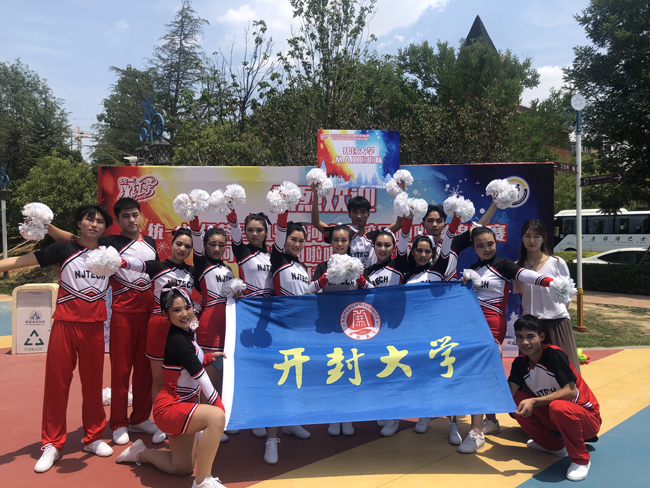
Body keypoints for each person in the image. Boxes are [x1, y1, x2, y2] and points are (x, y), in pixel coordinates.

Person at [0, 205, 115, 473]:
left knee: (93, 385)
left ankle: (93, 437)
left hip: (94, 327)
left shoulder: (110, 251)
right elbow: (22, 261)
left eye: (100, 221)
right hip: (65, 324)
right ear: (79, 223)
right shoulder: (64, 249)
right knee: (56, 385)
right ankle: (52, 443)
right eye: (89, 219)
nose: (94, 224)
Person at [48, 197, 165, 445]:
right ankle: (119, 422)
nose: (131, 220)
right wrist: (48, 227)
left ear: (141, 216)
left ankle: (140, 417)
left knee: (144, 371)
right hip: (122, 314)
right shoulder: (108, 243)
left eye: (135, 215)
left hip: (148, 315)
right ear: (118, 220)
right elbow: (73, 238)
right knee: (121, 371)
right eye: (126, 216)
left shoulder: (151, 243)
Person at [116, 285, 228, 488]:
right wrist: (218, 405)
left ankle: (140, 452)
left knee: (182, 467)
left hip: (184, 405)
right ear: (165, 314)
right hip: (171, 407)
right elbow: (200, 376)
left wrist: (209, 357)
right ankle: (202, 481)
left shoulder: (186, 333)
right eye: (177, 310)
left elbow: (189, 363)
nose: (184, 314)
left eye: (187, 307)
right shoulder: (178, 340)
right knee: (216, 417)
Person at [457, 226, 556, 454]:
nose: (486, 248)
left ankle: (476, 431)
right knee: (485, 373)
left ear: (496, 243)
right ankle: (491, 421)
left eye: (490, 243)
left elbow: (524, 275)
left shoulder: (503, 265)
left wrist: (549, 281)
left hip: (492, 329)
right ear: (474, 248)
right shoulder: (472, 268)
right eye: (480, 245)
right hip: (472, 327)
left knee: (479, 374)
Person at [509, 315, 601, 482]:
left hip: (587, 418)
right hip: (556, 416)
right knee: (517, 400)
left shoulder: (554, 354)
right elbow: (509, 395)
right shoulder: (520, 363)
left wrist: (534, 401)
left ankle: (581, 460)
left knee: (558, 406)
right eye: (519, 337)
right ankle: (553, 446)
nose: (524, 342)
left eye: (530, 336)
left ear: (541, 336)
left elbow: (571, 392)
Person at [307, 223, 371, 436]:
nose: (340, 244)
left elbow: (372, 291)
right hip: (328, 325)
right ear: (330, 242)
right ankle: (334, 416)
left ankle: (348, 416)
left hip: (350, 325)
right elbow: (308, 291)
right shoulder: (322, 266)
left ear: (349, 242)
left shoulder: (357, 265)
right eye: (336, 240)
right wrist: (325, 277)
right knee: (334, 368)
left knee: (351, 368)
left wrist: (360, 279)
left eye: (344, 240)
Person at [121, 226, 195, 406]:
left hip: (183, 329)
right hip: (159, 328)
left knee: (183, 379)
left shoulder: (193, 272)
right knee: (159, 380)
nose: (182, 249)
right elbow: (130, 263)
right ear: (172, 243)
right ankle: (161, 418)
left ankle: (182, 415)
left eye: (187, 246)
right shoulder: (157, 266)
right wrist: (113, 261)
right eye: (179, 244)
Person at [263, 211, 312, 463]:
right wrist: (284, 208)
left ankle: (292, 422)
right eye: (293, 239)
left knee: (296, 379)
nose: (297, 244)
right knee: (278, 383)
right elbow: (281, 231)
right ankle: (272, 439)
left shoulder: (304, 268)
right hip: (280, 330)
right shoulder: (278, 260)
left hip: (300, 331)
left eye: (301, 241)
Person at [189, 217, 240, 441]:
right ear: (205, 246)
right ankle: (202, 426)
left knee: (221, 378)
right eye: (212, 244)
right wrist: (194, 216)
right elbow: (195, 235)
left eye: (221, 245)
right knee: (207, 379)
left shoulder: (228, 269)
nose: (217, 248)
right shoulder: (202, 264)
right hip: (209, 327)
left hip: (227, 327)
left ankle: (218, 420)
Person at [225, 209, 272, 440]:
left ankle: (258, 415)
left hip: (270, 316)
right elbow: (233, 227)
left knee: (264, 368)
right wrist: (231, 209)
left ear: (266, 232)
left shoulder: (273, 256)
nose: (255, 234)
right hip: (247, 313)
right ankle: (238, 414)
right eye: (250, 230)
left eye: (259, 230)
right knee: (244, 366)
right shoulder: (242, 252)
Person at [514, 219, 581, 372]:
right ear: (522, 238)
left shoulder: (557, 262)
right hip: (531, 327)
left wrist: (559, 314)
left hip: (556, 323)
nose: (532, 240)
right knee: (532, 371)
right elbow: (522, 294)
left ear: (544, 238)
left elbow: (567, 294)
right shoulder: (517, 266)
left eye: (537, 236)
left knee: (564, 370)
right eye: (527, 236)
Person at [311, 187, 402, 267]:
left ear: (368, 214)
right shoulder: (343, 235)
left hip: (370, 279)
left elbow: (399, 223)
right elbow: (316, 223)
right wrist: (315, 195)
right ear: (349, 214)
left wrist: (400, 193)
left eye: (362, 212)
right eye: (355, 212)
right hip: (347, 280)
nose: (359, 216)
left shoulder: (376, 237)